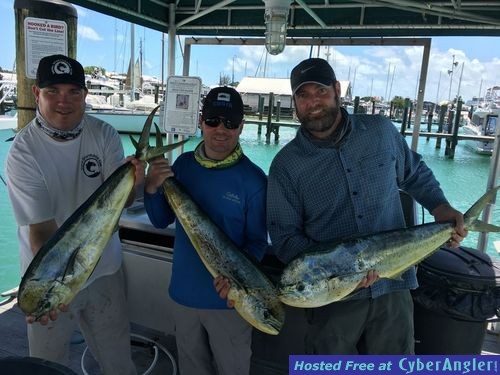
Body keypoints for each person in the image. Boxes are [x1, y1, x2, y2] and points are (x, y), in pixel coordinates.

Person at [266, 57, 467, 355]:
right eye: (303, 95)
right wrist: (338, 271)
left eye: (320, 91)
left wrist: (440, 207)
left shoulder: (381, 131)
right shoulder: (286, 166)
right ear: (294, 102)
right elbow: (285, 238)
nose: (313, 102)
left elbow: (414, 172)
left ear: (336, 90)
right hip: (332, 301)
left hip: (393, 287)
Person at [6, 54, 140, 374]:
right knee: (47, 367)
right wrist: (57, 284)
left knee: (118, 362)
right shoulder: (23, 153)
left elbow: (122, 203)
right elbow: (41, 233)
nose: (63, 101)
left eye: (73, 92)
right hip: (48, 275)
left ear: (84, 95)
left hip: (105, 270)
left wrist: (133, 181)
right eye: (53, 91)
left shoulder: (105, 135)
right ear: (37, 93)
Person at [144, 86, 268, 375]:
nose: (220, 130)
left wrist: (235, 281)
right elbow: (160, 220)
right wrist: (151, 187)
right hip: (183, 295)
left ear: (241, 127)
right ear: (201, 121)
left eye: (230, 123)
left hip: (228, 302)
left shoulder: (253, 181)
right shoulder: (183, 166)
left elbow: (257, 243)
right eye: (213, 120)